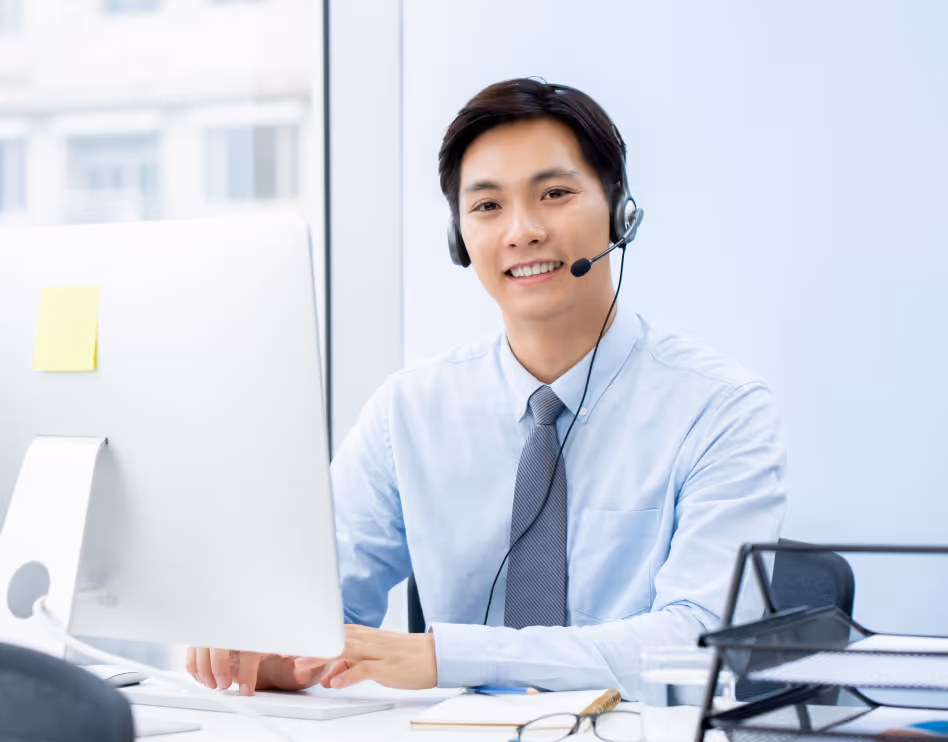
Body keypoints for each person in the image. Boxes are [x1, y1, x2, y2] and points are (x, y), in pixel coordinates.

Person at [187, 78, 787, 699]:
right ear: (459, 239)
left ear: (618, 208)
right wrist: (269, 648)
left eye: (554, 194)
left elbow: (696, 645)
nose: (522, 231)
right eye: (487, 207)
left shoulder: (720, 410)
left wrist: (450, 658)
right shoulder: (410, 411)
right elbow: (313, 619)